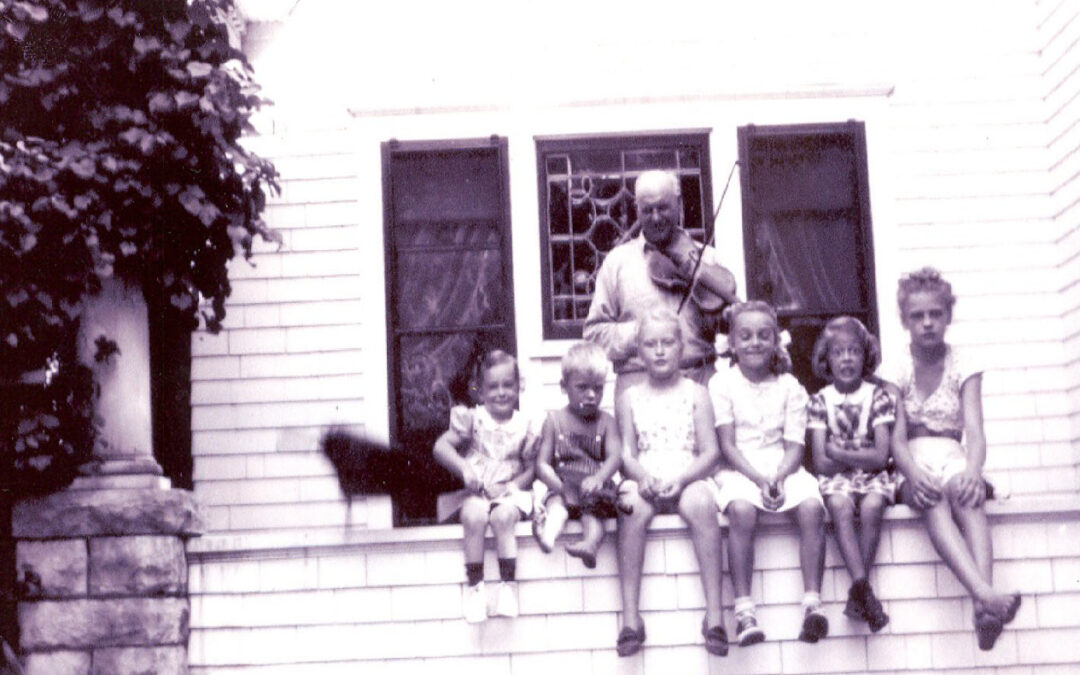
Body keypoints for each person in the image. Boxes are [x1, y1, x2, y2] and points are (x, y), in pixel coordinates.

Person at [882, 267, 1020, 650]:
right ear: (905, 320)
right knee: (932, 497)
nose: (927, 323)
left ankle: (984, 609)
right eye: (917, 316)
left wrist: (974, 470)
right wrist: (912, 473)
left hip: (952, 453)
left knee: (966, 491)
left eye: (935, 314)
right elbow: (894, 439)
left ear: (947, 315)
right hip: (911, 459)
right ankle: (987, 596)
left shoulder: (964, 364)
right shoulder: (895, 367)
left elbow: (974, 430)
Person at [711, 301, 828, 646]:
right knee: (742, 511)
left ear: (776, 341)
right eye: (745, 336)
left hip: (783, 465)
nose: (755, 343)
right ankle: (744, 612)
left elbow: (794, 446)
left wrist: (777, 477)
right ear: (732, 343)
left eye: (764, 335)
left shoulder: (789, 385)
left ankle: (813, 605)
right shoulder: (722, 383)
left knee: (812, 507)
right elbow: (727, 446)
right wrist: (760, 480)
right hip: (739, 467)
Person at [613, 308, 727, 657]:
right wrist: (642, 477)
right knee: (629, 505)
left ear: (681, 347)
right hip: (646, 476)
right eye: (651, 344)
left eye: (667, 343)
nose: (660, 351)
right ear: (639, 351)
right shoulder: (628, 397)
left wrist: (683, 478)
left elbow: (711, 452)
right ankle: (631, 619)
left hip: (688, 473)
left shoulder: (697, 393)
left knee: (702, 503)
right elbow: (627, 454)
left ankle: (715, 615)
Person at [583, 169, 737, 400]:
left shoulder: (707, 258)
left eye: (663, 208)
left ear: (679, 205)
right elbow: (594, 335)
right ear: (637, 210)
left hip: (698, 382)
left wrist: (728, 319)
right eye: (647, 210)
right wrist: (642, 332)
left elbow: (728, 331)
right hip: (638, 387)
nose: (656, 218)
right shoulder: (618, 262)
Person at [432, 350, 540, 624]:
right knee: (473, 515)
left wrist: (513, 486)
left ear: (519, 387)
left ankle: (508, 587)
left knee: (503, 517)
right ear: (480, 391)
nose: (501, 393)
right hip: (476, 492)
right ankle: (476, 588)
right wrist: (464, 468)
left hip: (509, 493)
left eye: (508, 385)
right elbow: (441, 447)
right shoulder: (473, 420)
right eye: (493, 387)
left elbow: (532, 468)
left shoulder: (525, 425)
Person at [807, 316, 894, 633]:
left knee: (873, 506)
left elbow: (881, 456)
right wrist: (859, 456)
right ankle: (863, 590)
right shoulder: (820, 400)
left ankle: (859, 593)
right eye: (838, 352)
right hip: (838, 481)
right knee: (839, 506)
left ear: (865, 356)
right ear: (826, 359)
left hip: (872, 478)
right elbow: (820, 462)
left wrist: (840, 452)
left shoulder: (878, 396)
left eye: (854, 351)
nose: (846, 359)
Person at [533, 342, 623, 568]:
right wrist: (559, 487)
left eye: (598, 388)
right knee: (556, 506)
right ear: (564, 386)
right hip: (563, 485)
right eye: (582, 387)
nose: (591, 395)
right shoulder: (554, 421)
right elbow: (542, 464)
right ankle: (548, 536)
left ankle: (590, 544)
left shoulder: (606, 422)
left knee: (594, 513)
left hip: (593, 488)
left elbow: (615, 456)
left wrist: (599, 478)